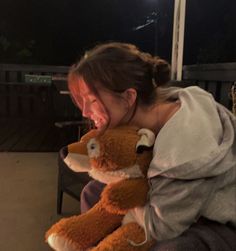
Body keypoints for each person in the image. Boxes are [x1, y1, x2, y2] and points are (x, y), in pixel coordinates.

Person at [67, 42, 236, 250]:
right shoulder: (161, 105)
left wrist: (116, 184)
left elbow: (160, 226)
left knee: (172, 247)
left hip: (217, 222)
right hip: (180, 203)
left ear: (129, 97)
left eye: (92, 100)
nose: (84, 112)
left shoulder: (183, 149)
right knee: (93, 192)